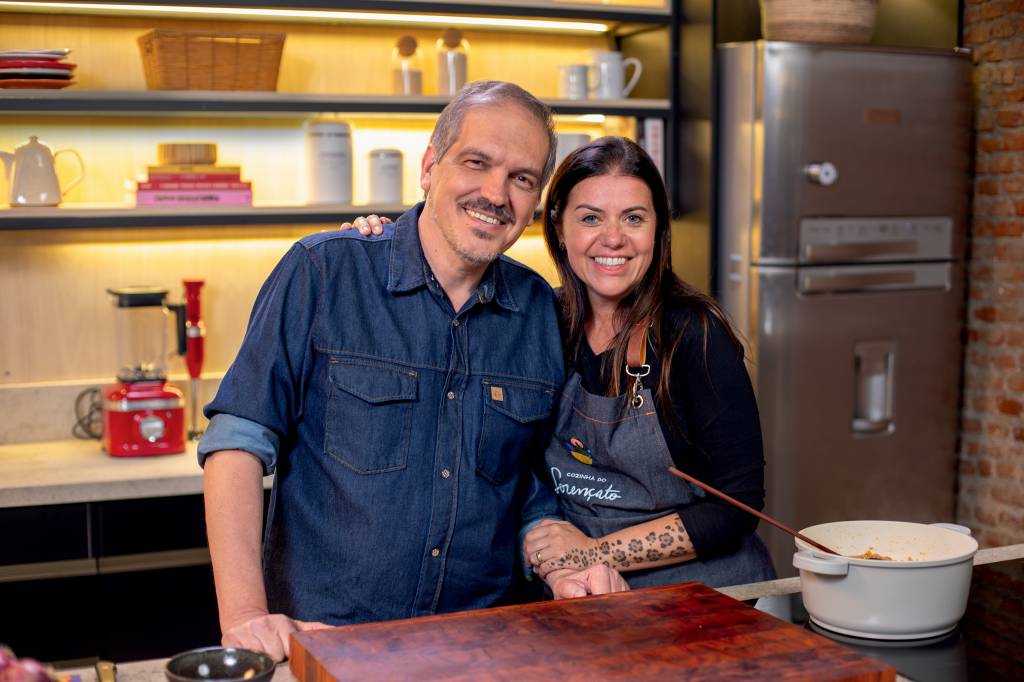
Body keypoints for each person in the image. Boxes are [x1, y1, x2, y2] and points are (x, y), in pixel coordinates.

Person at [198, 81, 627, 662]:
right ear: (430, 166)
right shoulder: (323, 273)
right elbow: (238, 444)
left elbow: (526, 486)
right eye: (477, 162)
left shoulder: (540, 312)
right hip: (326, 643)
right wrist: (246, 616)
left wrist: (560, 561)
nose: (496, 193)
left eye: (522, 179)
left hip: (484, 648)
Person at [349, 136, 775, 590]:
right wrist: (382, 244)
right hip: (572, 591)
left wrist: (595, 552)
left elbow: (736, 505)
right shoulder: (533, 320)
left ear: (658, 230)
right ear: (558, 228)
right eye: (591, 218)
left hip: (700, 600)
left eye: (634, 218)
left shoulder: (692, 334)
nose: (613, 238)